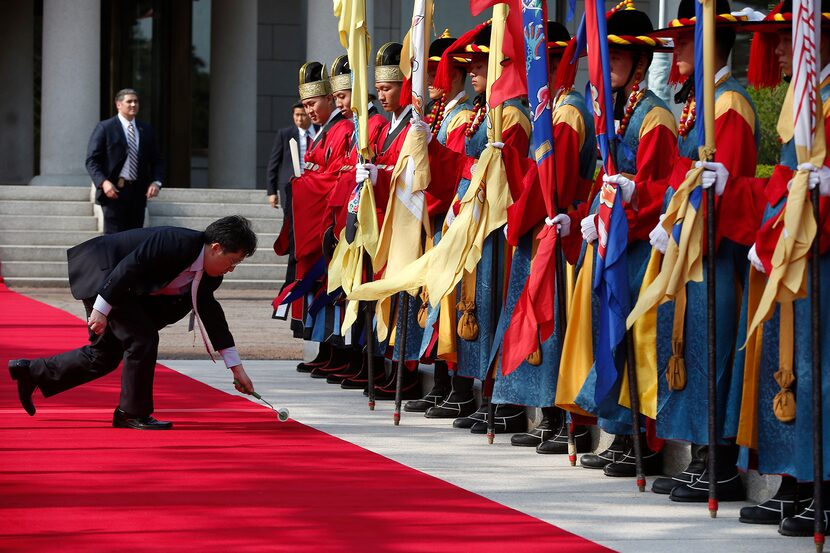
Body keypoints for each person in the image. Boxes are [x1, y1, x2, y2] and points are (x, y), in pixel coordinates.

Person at [7, 216, 258, 430]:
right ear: (216, 247)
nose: (232, 269)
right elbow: (129, 267)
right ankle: (131, 413)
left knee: (103, 356)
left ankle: (32, 371)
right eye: (233, 261)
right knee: (142, 338)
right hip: (104, 274)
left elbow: (212, 315)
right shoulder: (176, 242)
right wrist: (101, 309)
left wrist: (237, 369)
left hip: (125, 290)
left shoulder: (210, 277)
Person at [85, 88, 164, 234]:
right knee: (114, 240)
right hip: (113, 192)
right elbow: (92, 160)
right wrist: (103, 182)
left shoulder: (145, 129)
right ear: (118, 104)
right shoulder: (105, 128)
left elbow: (157, 160)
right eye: (129, 101)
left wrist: (156, 182)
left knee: (134, 239)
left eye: (136, 101)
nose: (133, 105)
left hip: (138, 193)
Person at [266, 102, 317, 210]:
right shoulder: (285, 134)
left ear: (309, 114)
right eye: (296, 115)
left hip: (316, 184)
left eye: (302, 115)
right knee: (291, 222)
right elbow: (273, 163)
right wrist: (272, 192)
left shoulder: (321, 130)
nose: (299, 119)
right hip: (291, 185)